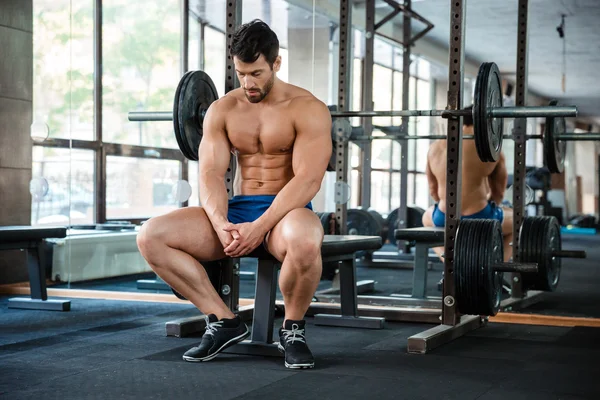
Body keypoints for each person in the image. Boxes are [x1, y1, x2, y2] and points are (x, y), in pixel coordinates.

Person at [136, 19, 332, 369]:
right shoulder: (223, 109)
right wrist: (220, 221)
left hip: (286, 213)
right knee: (151, 235)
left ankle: (292, 329)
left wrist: (259, 227)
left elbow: (307, 181)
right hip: (239, 210)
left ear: (276, 63)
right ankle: (223, 320)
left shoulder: (308, 108)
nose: (248, 83)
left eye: (256, 73)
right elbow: (211, 173)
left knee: (305, 239)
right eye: (241, 73)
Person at [422, 106, 513, 265]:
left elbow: (433, 191)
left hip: (443, 216)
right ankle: (495, 268)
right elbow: (498, 192)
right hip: (480, 215)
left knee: (426, 218)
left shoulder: (434, 147)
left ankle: (450, 261)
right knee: (519, 222)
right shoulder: (491, 148)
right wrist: (493, 205)